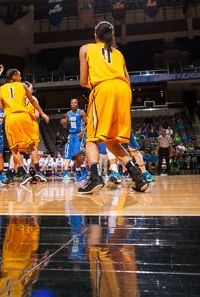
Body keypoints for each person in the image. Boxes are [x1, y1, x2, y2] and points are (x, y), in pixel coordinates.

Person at [78, 20, 148, 194]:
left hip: (104, 89)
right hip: (124, 91)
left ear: (96, 35)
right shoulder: (119, 53)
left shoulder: (86, 48)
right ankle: (138, 177)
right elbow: (127, 79)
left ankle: (94, 178)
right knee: (111, 140)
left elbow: (83, 81)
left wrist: (100, 85)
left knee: (91, 139)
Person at [0, 69, 49, 185]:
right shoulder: (22, 86)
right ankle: (37, 171)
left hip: (10, 117)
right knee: (32, 145)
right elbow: (32, 101)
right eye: (19, 75)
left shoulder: (1, 89)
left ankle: (22, 172)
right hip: (24, 116)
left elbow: (1, 107)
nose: (21, 77)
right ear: (15, 76)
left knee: (14, 148)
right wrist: (42, 113)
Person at [60, 98, 87, 181]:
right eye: (72, 103)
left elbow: (88, 124)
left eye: (75, 103)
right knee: (73, 155)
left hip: (79, 134)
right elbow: (65, 126)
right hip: (71, 135)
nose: (73, 104)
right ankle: (78, 173)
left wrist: (83, 132)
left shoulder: (81, 112)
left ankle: (84, 170)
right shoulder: (68, 113)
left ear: (77, 104)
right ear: (70, 104)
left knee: (77, 153)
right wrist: (63, 122)